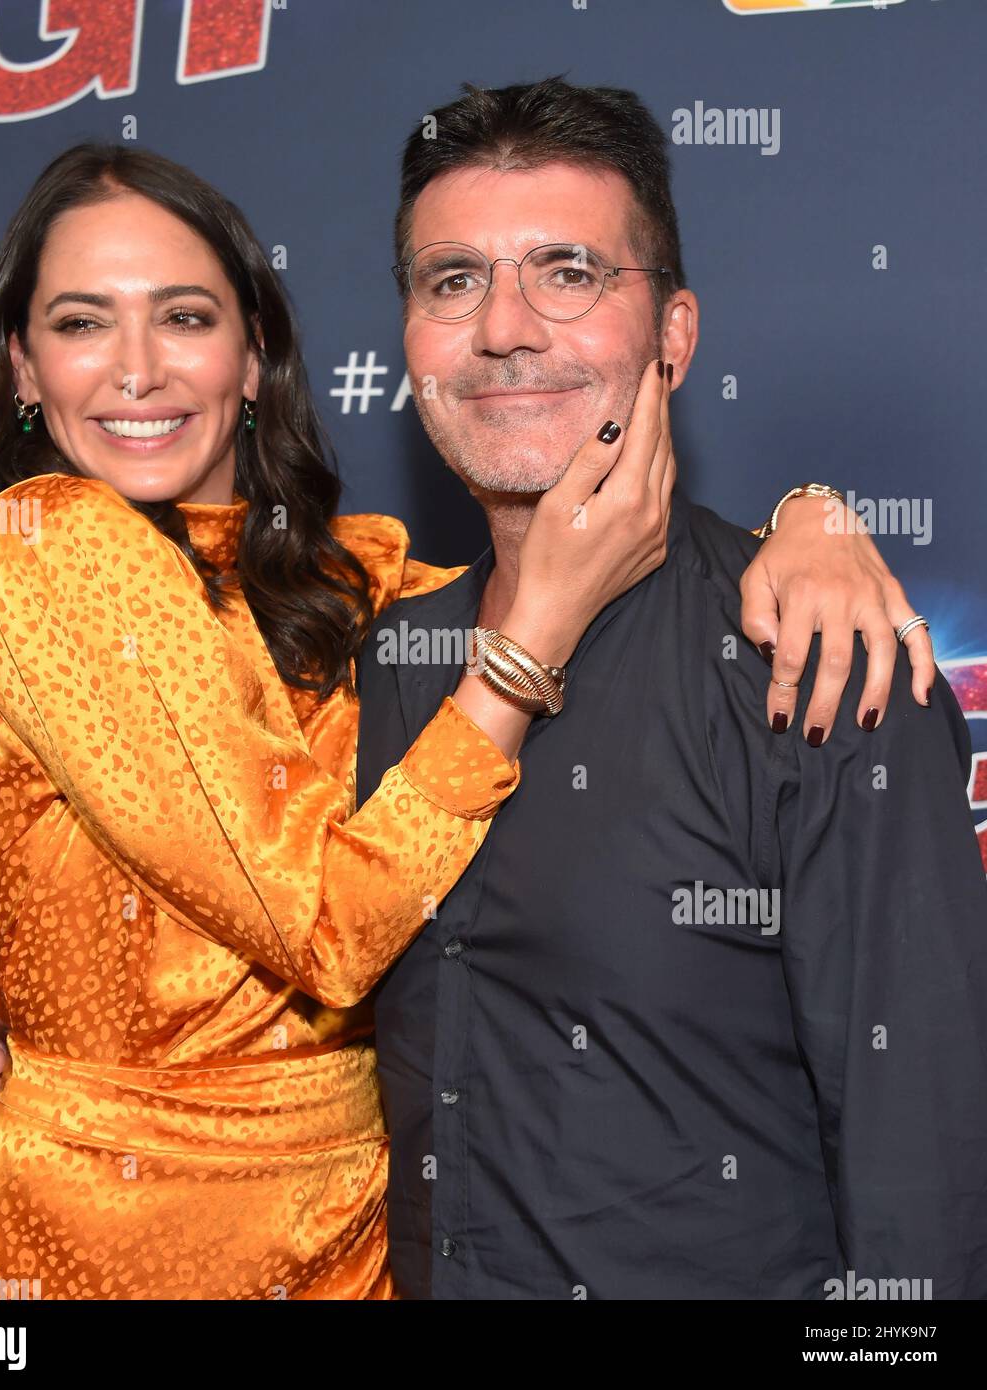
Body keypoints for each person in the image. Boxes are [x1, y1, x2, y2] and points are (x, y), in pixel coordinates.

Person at [0, 118, 931, 1299]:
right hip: (108, 1252)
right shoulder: (38, 548)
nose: (137, 366)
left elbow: (918, 1134)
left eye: (186, 316)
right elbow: (320, 922)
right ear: (20, 365)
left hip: (355, 1254)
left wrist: (811, 515)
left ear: (254, 357)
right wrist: (74, 1049)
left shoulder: (365, 601)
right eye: (79, 321)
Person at [347, 79, 984, 1300]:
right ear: (409, 338)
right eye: (451, 281)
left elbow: (928, 1172)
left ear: (673, 337)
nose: (504, 328)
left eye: (568, 272)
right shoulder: (373, 666)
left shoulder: (819, 661)